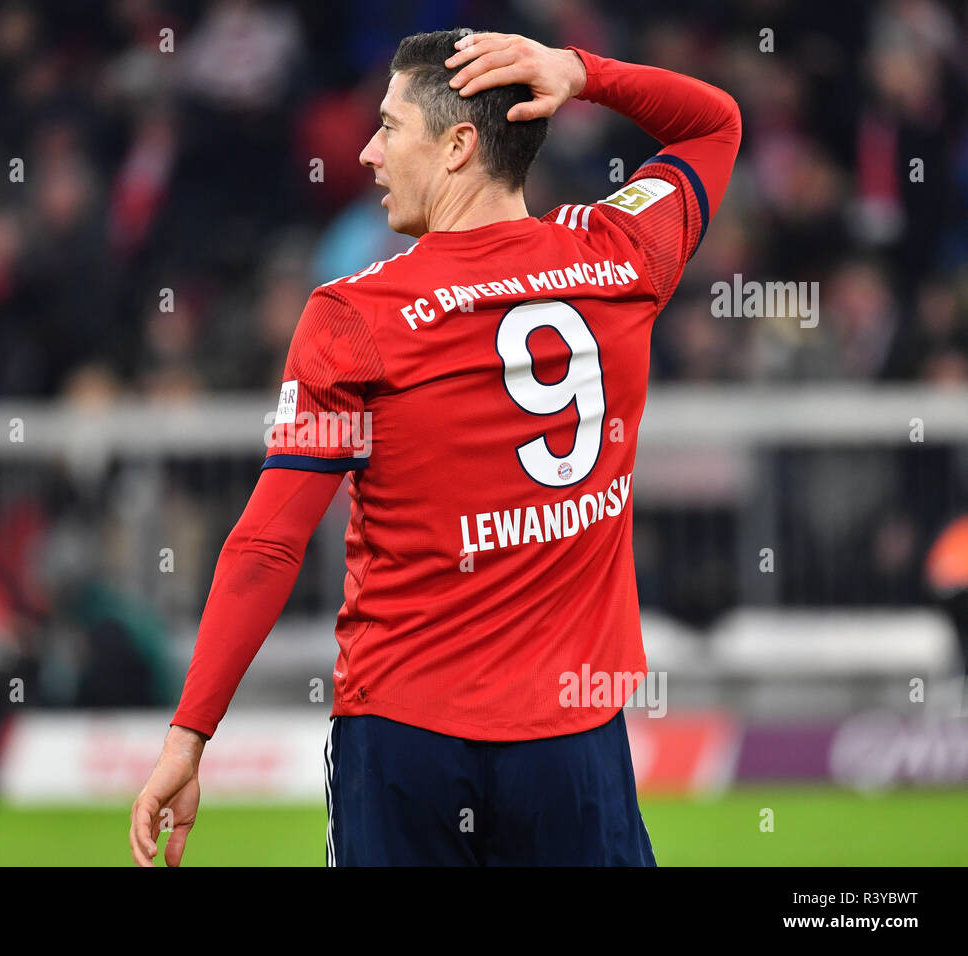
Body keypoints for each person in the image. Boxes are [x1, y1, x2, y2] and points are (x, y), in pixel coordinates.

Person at [130, 30, 741, 866]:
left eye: (388, 127)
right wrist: (581, 72)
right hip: (571, 744)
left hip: (405, 743)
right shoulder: (619, 252)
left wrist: (189, 733)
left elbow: (270, 541)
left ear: (457, 147)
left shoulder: (355, 316)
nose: (368, 151)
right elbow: (714, 126)